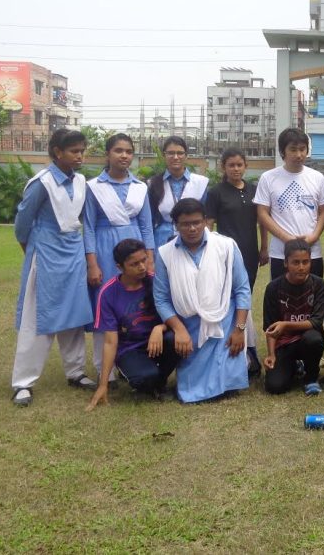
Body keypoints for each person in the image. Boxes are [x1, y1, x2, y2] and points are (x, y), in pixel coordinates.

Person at [11, 129, 97, 407]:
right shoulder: (42, 182)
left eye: (82, 150)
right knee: (38, 318)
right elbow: (22, 224)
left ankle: (76, 372)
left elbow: (85, 220)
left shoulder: (82, 181)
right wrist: (34, 252)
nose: (79, 156)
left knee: (74, 314)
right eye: (74, 151)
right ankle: (23, 383)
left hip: (73, 255)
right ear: (57, 152)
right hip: (46, 254)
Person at [153, 198, 250, 403]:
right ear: (176, 225)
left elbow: (242, 289)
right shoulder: (165, 253)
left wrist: (240, 330)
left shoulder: (226, 246)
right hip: (189, 325)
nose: (192, 228)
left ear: (205, 221)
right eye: (185, 224)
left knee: (227, 382)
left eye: (197, 222)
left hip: (224, 320)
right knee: (191, 391)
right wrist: (179, 330)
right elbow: (161, 299)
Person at [83, 133, 155, 387]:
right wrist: (92, 263)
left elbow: (147, 227)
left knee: (138, 305)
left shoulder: (140, 187)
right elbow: (89, 227)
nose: (124, 155)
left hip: (135, 248)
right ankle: (106, 370)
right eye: (118, 150)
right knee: (105, 309)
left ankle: (137, 358)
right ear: (107, 154)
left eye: (128, 151)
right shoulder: (93, 187)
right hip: (105, 248)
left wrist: (151, 260)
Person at [86, 239, 181, 409]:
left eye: (144, 260)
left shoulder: (156, 281)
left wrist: (160, 327)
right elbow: (110, 341)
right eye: (134, 264)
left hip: (159, 341)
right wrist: (103, 384)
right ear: (119, 267)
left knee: (175, 338)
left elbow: (174, 317)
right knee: (144, 377)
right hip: (129, 349)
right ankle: (148, 380)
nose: (142, 267)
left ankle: (159, 383)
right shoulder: (108, 293)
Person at [206, 148, 267, 374]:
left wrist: (264, 248)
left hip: (250, 253)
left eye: (239, 165)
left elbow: (262, 222)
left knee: (245, 298)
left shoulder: (254, 190)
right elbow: (208, 224)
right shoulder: (216, 192)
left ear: (246, 166)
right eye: (231, 165)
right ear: (224, 167)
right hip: (225, 256)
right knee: (229, 300)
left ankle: (248, 349)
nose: (236, 169)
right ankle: (231, 346)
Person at [254, 128, 324, 279]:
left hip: (311, 252)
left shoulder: (317, 178)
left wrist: (313, 237)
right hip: (281, 254)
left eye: (302, 149)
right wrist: (287, 239)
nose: (299, 154)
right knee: (281, 299)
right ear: (283, 151)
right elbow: (262, 213)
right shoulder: (268, 178)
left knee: (313, 297)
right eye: (293, 150)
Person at [262, 239, 324, 396]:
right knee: (275, 386)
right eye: (295, 262)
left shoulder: (318, 284)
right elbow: (270, 327)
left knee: (314, 339)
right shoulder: (273, 288)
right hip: (284, 344)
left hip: (309, 339)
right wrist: (271, 354)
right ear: (285, 263)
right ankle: (294, 365)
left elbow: (316, 322)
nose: (301, 267)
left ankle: (311, 378)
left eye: (306, 262)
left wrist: (286, 325)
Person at [148, 136, 209, 247]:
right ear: (164, 155)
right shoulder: (153, 183)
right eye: (170, 153)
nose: (175, 157)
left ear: (186, 156)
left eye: (180, 153)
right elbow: (150, 220)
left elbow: (205, 217)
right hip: (162, 239)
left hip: (191, 239)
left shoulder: (200, 183)